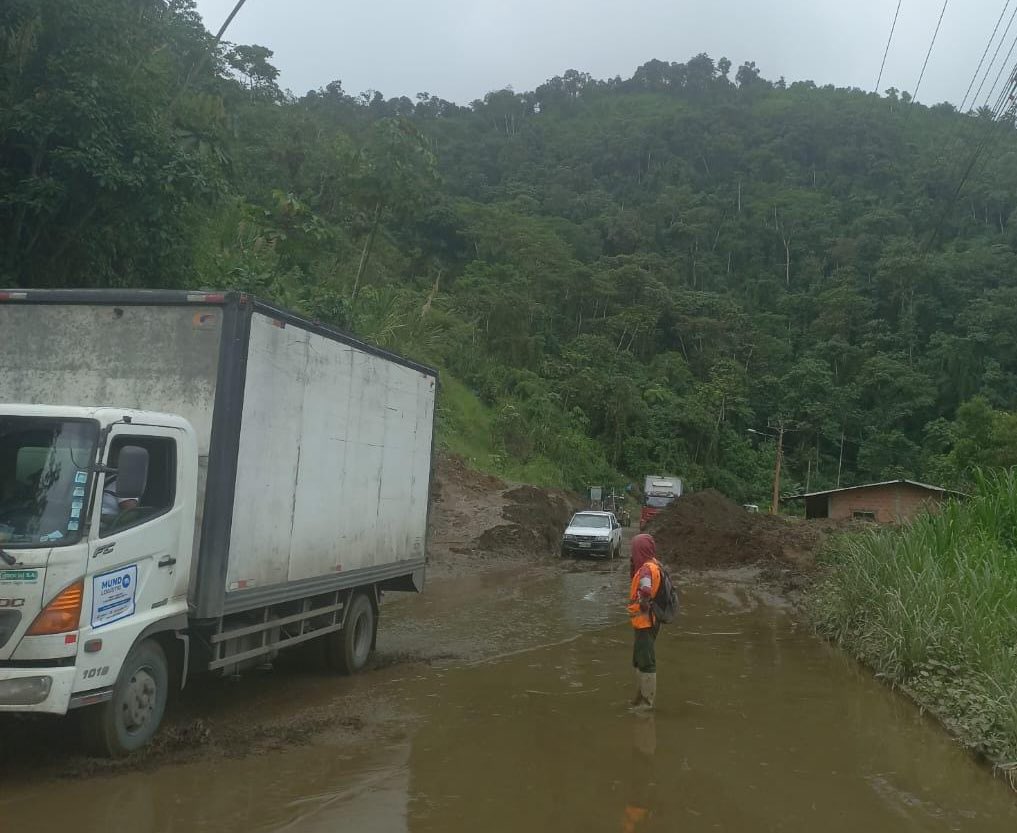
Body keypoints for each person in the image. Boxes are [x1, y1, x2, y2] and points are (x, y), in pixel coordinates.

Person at [627, 533, 662, 710]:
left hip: (645, 622)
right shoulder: (653, 564)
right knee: (640, 659)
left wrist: (643, 603)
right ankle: (639, 697)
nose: (632, 553)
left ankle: (646, 703)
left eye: (634, 549)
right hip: (647, 622)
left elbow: (646, 590)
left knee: (646, 661)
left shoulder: (647, 569)